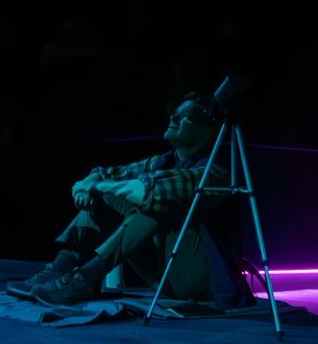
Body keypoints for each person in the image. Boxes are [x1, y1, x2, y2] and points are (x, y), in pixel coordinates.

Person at [18, 91, 253, 307]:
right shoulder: (163, 161)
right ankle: (59, 268)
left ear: (207, 129)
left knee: (155, 203)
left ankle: (85, 278)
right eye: (175, 112)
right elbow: (105, 173)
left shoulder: (217, 171)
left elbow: (155, 192)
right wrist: (87, 187)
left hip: (200, 279)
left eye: (185, 116)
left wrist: (96, 186)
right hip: (164, 270)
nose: (173, 117)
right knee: (112, 195)